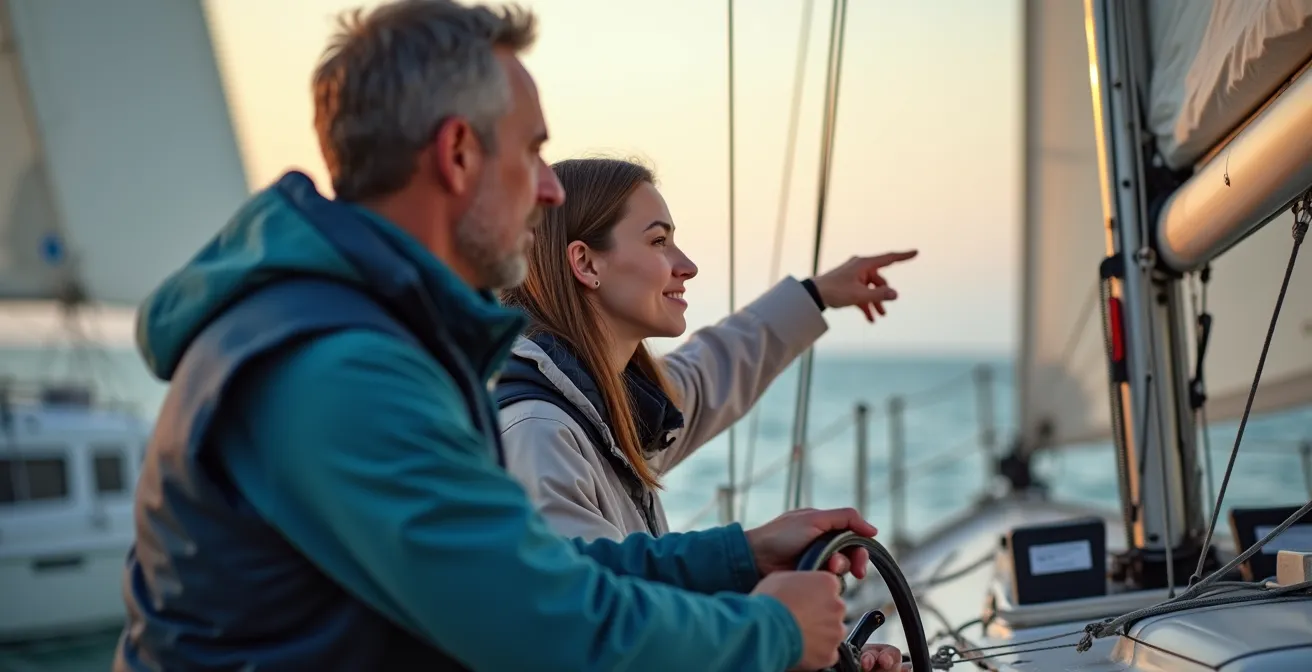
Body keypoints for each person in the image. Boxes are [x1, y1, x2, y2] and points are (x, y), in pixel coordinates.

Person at [113, 1, 907, 670]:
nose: (551, 184)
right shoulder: (339, 369)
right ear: (458, 152)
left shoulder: (353, 334)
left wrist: (740, 557)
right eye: (532, 151)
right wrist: (768, 635)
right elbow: (541, 630)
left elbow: (534, 575)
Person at [496, 157, 918, 542]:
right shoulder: (540, 434)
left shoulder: (612, 409)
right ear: (586, 263)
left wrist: (815, 295)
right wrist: (760, 591)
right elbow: (596, 612)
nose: (688, 266)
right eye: (659, 241)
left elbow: (709, 370)